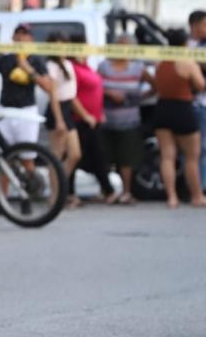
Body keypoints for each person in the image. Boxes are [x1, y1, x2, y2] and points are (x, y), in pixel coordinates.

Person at [0, 24, 55, 203]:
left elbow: (48, 86)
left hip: (26, 113)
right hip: (6, 112)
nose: (22, 38)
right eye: (19, 34)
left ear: (31, 39)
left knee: (27, 158)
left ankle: (32, 192)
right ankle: (2, 200)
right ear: (13, 38)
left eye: (26, 35)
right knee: (4, 159)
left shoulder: (35, 60)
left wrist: (27, 68)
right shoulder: (7, 59)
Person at [153, 28, 206, 209]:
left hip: (162, 107)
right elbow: (201, 85)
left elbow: (158, 84)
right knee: (191, 157)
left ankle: (171, 197)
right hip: (182, 108)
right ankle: (197, 195)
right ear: (185, 43)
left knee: (167, 156)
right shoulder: (187, 62)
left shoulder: (160, 61)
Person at [97, 36, 153, 204]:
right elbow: (95, 86)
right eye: (120, 46)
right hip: (106, 119)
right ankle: (107, 190)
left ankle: (126, 191)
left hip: (129, 121)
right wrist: (109, 94)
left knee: (126, 158)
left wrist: (139, 98)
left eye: (127, 47)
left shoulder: (138, 68)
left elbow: (155, 85)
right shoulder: (104, 67)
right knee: (105, 157)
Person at [67, 36, 115, 203]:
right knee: (74, 156)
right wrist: (84, 115)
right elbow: (71, 95)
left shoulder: (86, 67)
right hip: (80, 120)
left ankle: (108, 190)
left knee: (99, 156)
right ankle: (68, 193)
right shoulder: (72, 68)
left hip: (93, 120)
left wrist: (98, 113)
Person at [43, 32, 87, 208]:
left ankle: (60, 187)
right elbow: (53, 95)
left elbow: (71, 94)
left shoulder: (67, 64)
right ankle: (54, 195)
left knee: (75, 154)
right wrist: (59, 120)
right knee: (56, 156)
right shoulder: (51, 66)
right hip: (58, 110)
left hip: (67, 109)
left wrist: (84, 114)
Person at [186, 10, 206, 196]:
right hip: (187, 103)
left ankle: (203, 187)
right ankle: (192, 188)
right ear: (194, 26)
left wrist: (195, 63)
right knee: (190, 151)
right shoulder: (184, 44)